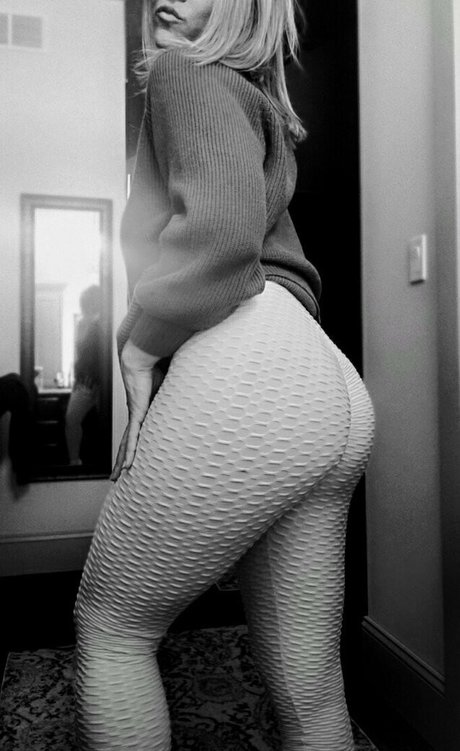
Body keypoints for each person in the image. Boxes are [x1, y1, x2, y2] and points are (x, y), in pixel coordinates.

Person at [74, 1, 375, 749]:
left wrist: (139, 345)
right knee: (309, 688)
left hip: (255, 367)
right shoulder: (254, 101)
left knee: (112, 630)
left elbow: (220, 235)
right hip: (326, 384)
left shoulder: (182, 71)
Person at [65, 285, 103, 466]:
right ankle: (75, 461)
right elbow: (80, 357)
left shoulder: (101, 324)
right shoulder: (83, 324)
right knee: (72, 419)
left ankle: (85, 461)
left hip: (97, 382)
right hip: (84, 381)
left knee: (95, 423)